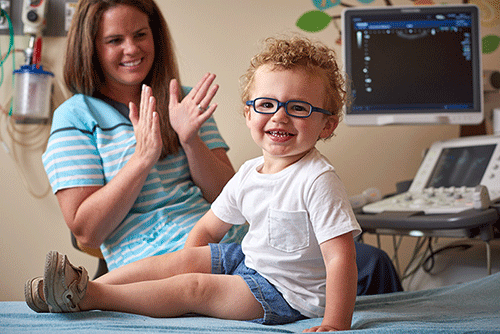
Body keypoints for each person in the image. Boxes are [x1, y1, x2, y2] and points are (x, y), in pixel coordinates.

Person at [26, 35, 365, 332]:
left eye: (299, 108)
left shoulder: (317, 179)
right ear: (248, 114)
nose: (279, 116)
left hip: (285, 294)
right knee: (180, 262)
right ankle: (77, 285)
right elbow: (207, 228)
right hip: (249, 261)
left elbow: (340, 259)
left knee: (194, 288)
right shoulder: (249, 173)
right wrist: (182, 267)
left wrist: (336, 323)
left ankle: (88, 297)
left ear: (327, 125)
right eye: (266, 104)